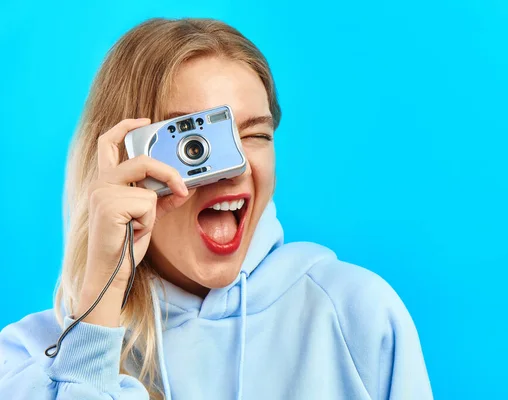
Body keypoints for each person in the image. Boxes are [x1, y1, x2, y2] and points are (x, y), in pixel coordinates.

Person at [0, 18, 433, 400]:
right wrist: (97, 315)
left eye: (255, 135)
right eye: (193, 145)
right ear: (122, 160)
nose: (234, 167)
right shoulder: (25, 358)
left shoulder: (357, 314)